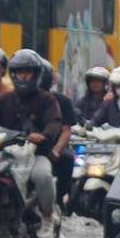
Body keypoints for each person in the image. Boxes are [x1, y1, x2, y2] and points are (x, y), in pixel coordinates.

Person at [0, 49, 63, 238]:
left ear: (36, 74)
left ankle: (48, 218)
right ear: (13, 74)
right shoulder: (5, 99)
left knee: (42, 175)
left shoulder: (47, 99)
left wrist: (43, 136)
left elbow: (55, 122)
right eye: (18, 72)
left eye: (27, 72)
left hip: (36, 154)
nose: (22, 77)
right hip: (5, 153)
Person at [39, 59, 78, 214]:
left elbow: (66, 130)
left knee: (67, 158)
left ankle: (59, 199)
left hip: (50, 147)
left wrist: (56, 149)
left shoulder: (62, 101)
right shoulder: (15, 99)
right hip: (24, 149)